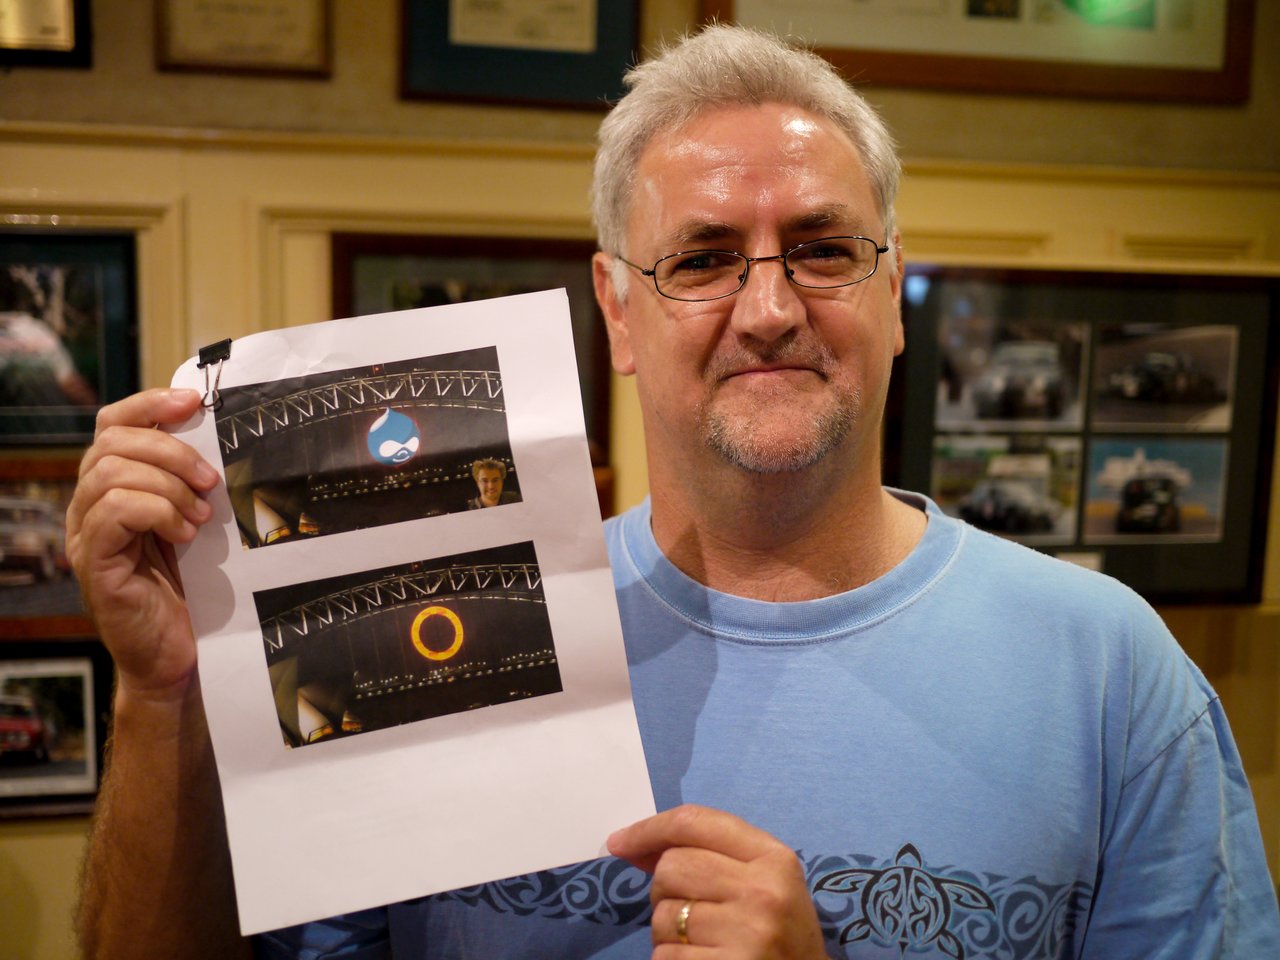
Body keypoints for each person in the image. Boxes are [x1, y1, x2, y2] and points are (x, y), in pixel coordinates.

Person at [68, 24, 1279, 960]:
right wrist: (161, 694)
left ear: (887, 287)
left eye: (820, 247)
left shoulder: (1109, 671)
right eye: (701, 258)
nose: (767, 307)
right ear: (616, 311)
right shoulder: (441, 626)